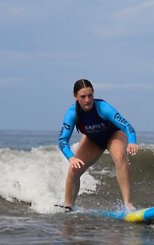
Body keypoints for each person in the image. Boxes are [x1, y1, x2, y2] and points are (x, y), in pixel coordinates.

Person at [58, 79, 138, 212]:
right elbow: (62, 140)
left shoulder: (103, 108)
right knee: (73, 169)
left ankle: (128, 204)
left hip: (114, 135)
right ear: (75, 97)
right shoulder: (72, 114)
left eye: (90, 95)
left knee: (119, 156)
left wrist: (132, 141)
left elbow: (127, 126)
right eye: (83, 97)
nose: (87, 100)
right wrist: (71, 157)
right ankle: (68, 206)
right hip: (93, 140)